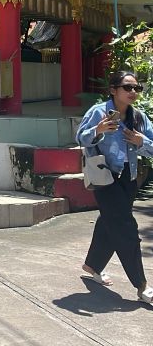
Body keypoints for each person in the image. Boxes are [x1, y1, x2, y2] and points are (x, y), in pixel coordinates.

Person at [76, 70, 153, 304]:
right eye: (127, 87)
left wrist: (142, 142)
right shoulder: (98, 112)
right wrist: (98, 131)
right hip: (104, 178)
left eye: (136, 88)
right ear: (113, 90)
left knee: (110, 221)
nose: (133, 92)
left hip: (129, 178)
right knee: (126, 229)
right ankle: (142, 285)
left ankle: (93, 265)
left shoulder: (138, 117)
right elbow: (80, 138)